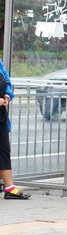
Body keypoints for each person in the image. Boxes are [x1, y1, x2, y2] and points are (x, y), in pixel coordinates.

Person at [0, 59, 29, 199]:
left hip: (0, 115)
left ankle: (10, 188)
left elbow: (6, 80)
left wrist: (7, 95)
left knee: (4, 150)